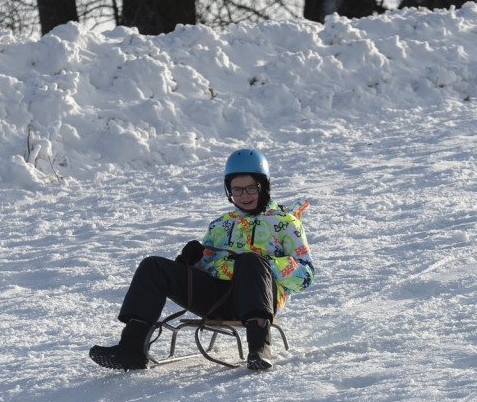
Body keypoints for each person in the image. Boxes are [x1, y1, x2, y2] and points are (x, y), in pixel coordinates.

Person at [89, 148, 315, 371]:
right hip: (218, 299)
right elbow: (206, 268)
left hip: (259, 298)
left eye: (251, 188)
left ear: (264, 186)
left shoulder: (285, 223)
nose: (244, 196)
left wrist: (265, 265)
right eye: (237, 189)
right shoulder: (221, 224)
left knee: (250, 261)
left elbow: (306, 276)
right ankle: (131, 349)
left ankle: (259, 349)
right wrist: (190, 261)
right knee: (153, 266)